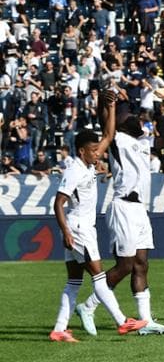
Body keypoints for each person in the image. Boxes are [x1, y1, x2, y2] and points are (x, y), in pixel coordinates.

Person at [74, 86, 164, 336]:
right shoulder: (117, 140)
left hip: (140, 210)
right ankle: (87, 306)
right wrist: (106, 100)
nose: (133, 116)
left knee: (141, 265)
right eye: (128, 115)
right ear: (121, 124)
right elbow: (106, 121)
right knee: (124, 265)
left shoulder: (143, 142)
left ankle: (146, 322)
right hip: (123, 205)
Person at [50, 94, 148, 342]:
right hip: (80, 227)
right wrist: (66, 232)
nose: (98, 153)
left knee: (73, 282)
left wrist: (112, 107)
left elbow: (107, 135)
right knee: (99, 277)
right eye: (93, 151)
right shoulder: (74, 170)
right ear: (82, 151)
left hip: (79, 227)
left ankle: (60, 329)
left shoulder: (88, 163)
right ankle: (122, 321)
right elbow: (58, 203)